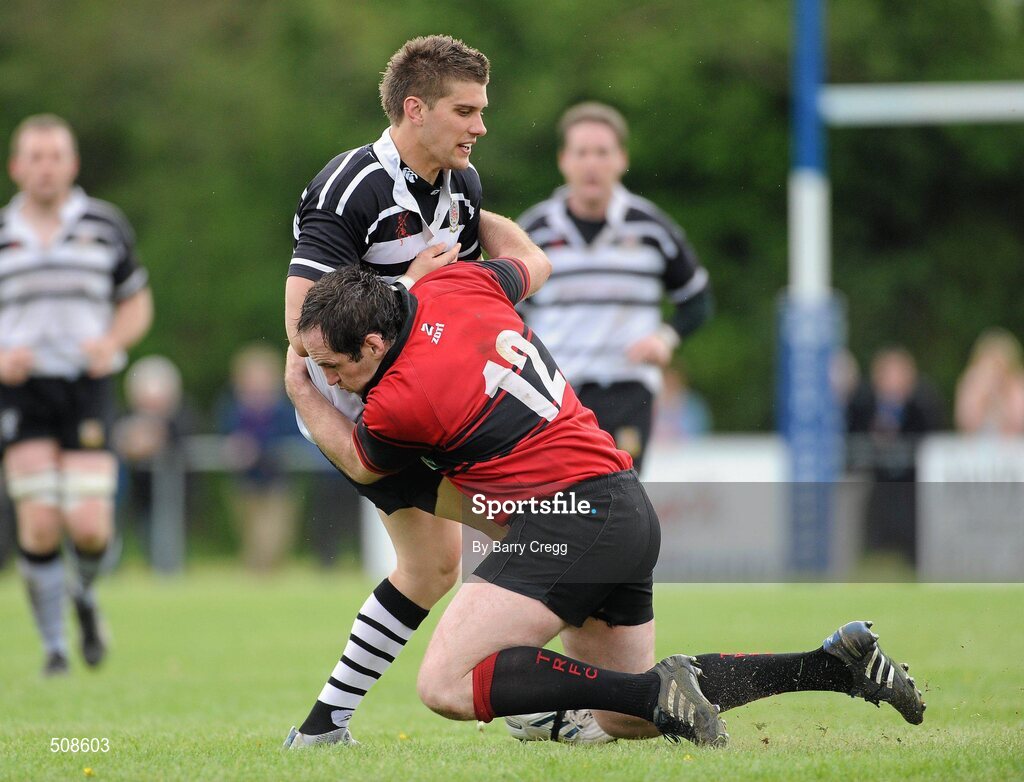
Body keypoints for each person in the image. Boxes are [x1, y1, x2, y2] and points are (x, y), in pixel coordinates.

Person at [282, 255, 925, 748]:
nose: (330, 381)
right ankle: (832, 666)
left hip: (567, 517)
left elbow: (364, 465)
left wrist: (301, 393)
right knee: (622, 717)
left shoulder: (399, 400)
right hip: (622, 506)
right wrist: (470, 212)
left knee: (445, 684)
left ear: (373, 343)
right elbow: (530, 256)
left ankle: (658, 690)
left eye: (333, 367)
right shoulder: (457, 286)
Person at [283, 34, 518, 743]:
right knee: (529, 534)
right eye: (465, 110)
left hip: (432, 405)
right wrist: (406, 291)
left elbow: (462, 307)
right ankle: (546, 705)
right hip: (360, 412)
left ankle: (324, 727)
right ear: (415, 109)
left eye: (482, 110)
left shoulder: (462, 186)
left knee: (436, 564)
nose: (480, 126)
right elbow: (303, 328)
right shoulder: (349, 187)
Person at [0, 114, 153, 674]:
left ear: (72, 164)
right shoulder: (3, 231)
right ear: (17, 167)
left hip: (86, 388)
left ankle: (83, 596)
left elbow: (137, 302)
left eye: (55, 156)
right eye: (34, 157)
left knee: (90, 527)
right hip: (21, 392)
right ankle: (54, 649)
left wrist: (111, 341)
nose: (45, 167)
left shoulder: (104, 225)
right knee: (39, 523)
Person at [517, 102, 712, 472]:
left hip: (629, 387)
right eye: (582, 152)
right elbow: (505, 312)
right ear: (564, 160)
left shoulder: (652, 229)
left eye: (602, 152)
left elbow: (697, 300)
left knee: (621, 495)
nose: (592, 164)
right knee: (563, 499)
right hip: (556, 391)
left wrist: (665, 339)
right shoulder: (534, 232)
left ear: (621, 158)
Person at [846, 347, 944, 564]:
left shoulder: (922, 403)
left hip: (911, 486)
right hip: (877, 484)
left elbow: (933, 436)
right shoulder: (864, 403)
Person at [216, 344, 304, 572]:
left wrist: (260, 449)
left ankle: (268, 579)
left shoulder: (287, 408)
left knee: (274, 535)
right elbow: (225, 438)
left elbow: (295, 440)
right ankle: (255, 580)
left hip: (278, 482)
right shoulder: (233, 410)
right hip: (245, 482)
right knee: (249, 533)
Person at [955, 328, 1024, 436]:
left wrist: (1005, 393)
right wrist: (983, 393)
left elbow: (1019, 423)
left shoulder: (1018, 383)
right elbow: (966, 423)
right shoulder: (972, 381)